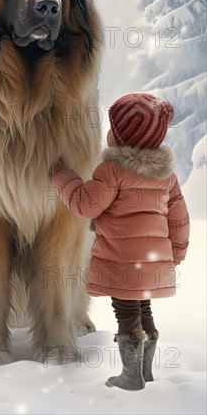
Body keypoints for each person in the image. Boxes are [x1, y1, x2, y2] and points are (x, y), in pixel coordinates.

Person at [50, 93, 190, 391]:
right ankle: (145, 371)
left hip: (122, 262)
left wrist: (63, 176)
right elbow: (179, 218)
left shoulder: (113, 171)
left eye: (113, 128)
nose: (108, 133)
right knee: (145, 310)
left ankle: (131, 377)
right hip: (153, 262)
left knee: (127, 315)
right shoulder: (167, 177)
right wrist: (177, 251)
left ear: (123, 137)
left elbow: (86, 205)